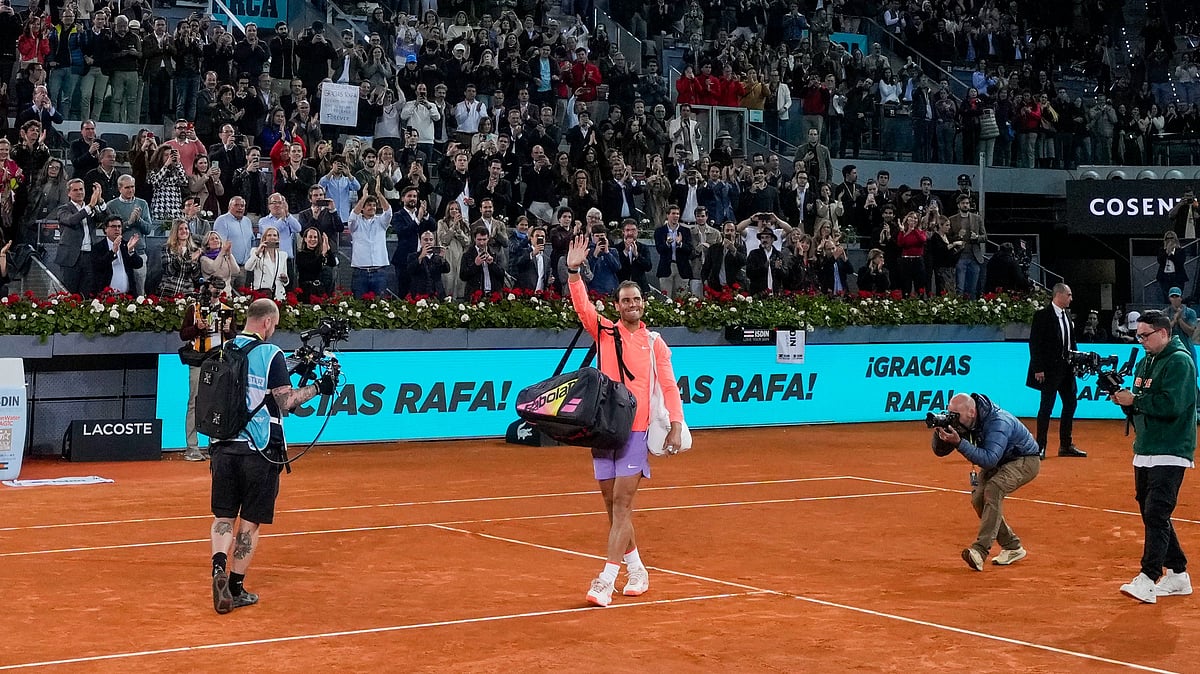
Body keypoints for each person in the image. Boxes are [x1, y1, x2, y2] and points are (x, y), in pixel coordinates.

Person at [563, 235, 685, 608]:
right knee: (610, 504)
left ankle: (605, 579)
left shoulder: (656, 342)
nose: (632, 305)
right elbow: (582, 306)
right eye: (626, 300)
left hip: (636, 429)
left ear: (643, 304)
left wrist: (676, 423)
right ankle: (638, 570)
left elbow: (668, 384)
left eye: (637, 300)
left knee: (622, 503)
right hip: (604, 428)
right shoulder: (604, 330)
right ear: (617, 306)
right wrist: (573, 271)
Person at [208, 298, 336, 614]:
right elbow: (286, 401)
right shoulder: (270, 353)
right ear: (267, 323)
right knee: (250, 523)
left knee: (223, 517)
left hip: (223, 446)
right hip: (260, 450)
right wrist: (320, 387)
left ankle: (218, 567)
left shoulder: (224, 348)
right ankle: (235, 588)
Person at [1111, 310, 1196, 603]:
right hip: (1146, 449)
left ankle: (1148, 578)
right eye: (1139, 336)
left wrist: (1136, 400)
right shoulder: (1147, 360)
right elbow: (1140, 404)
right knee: (1151, 512)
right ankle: (1178, 573)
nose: (1141, 340)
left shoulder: (1180, 361)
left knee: (1157, 513)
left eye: (1145, 335)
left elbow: (1172, 404)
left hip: (1171, 449)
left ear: (1162, 332)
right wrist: (1125, 401)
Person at [933, 392, 1041, 571]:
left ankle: (980, 551)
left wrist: (960, 443)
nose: (953, 418)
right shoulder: (966, 420)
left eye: (955, 415)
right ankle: (1012, 546)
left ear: (971, 413)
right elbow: (939, 451)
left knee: (994, 488)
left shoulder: (999, 422)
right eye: (949, 414)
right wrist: (941, 431)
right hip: (1001, 460)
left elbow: (989, 459)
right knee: (978, 498)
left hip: (1025, 460)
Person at [1026, 283, 1086, 458]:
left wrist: (1076, 363)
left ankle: (1065, 445)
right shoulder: (1042, 316)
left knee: (1070, 404)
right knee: (1046, 408)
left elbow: (1071, 342)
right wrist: (1038, 368)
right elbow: (1035, 343)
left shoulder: (1067, 315)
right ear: (1058, 295)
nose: (1071, 299)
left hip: (1067, 369)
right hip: (1049, 370)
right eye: (1069, 295)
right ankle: (1040, 446)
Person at [179, 278, 235, 461]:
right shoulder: (193, 309)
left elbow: (234, 337)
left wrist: (229, 331)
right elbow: (183, 334)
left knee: (218, 402)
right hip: (198, 360)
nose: (215, 293)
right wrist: (197, 328)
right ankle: (192, 446)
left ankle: (216, 443)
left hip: (219, 361)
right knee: (194, 402)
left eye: (218, 290)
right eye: (213, 289)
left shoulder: (227, 311)